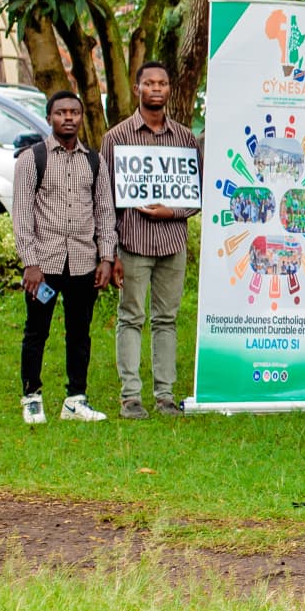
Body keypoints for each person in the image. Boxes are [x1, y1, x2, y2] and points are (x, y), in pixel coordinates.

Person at [13, 91, 117, 423]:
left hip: (83, 263)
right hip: (44, 266)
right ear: (49, 118)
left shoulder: (94, 161)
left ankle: (76, 399)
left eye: (74, 112)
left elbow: (104, 212)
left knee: (79, 332)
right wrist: (30, 263)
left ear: (81, 117)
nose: (68, 117)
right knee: (36, 331)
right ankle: (32, 396)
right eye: (61, 112)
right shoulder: (33, 158)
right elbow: (22, 214)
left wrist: (106, 258)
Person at [102, 59, 198, 418]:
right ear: (138, 88)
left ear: (169, 89)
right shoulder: (116, 138)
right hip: (133, 243)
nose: (156, 89)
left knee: (166, 319)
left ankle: (165, 396)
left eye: (162, 83)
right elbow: (104, 199)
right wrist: (111, 252)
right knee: (131, 316)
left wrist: (170, 211)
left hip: (172, 243)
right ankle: (130, 397)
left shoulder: (185, 138)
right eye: (149, 83)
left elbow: (195, 195)